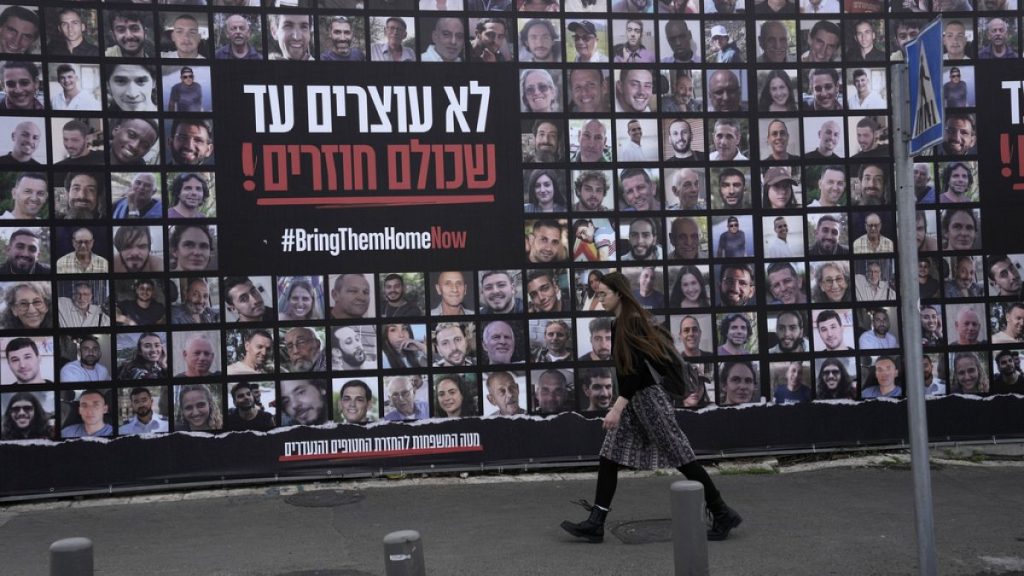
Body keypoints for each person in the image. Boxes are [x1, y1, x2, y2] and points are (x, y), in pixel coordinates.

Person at [561, 271, 742, 543]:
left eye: (604, 294)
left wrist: (616, 408)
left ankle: (721, 512)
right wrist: (623, 404)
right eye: (597, 295)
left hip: (648, 400)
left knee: (682, 456)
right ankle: (596, 523)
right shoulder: (619, 323)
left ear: (619, 294)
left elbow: (635, 372)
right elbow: (628, 372)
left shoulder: (632, 322)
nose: (600, 299)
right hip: (634, 400)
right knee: (609, 456)